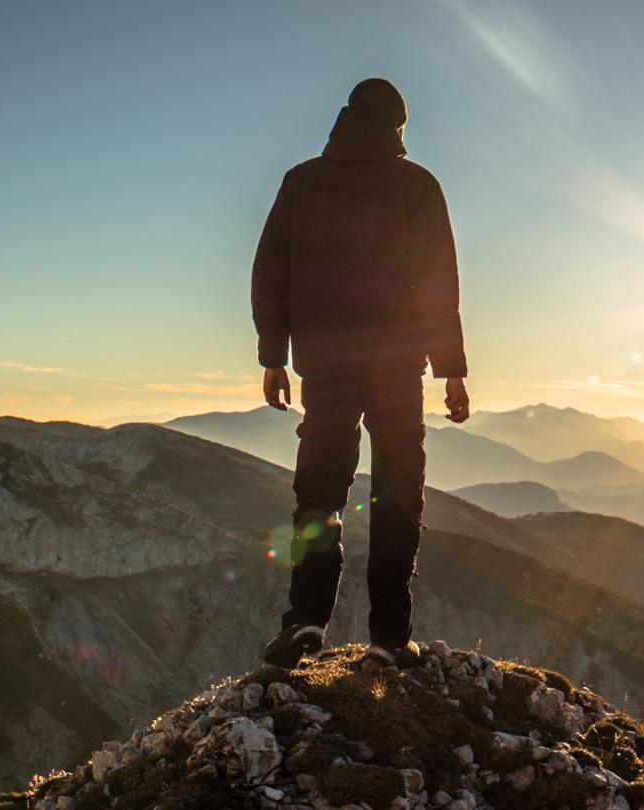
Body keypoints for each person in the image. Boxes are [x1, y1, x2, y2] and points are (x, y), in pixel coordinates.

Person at [253, 77, 470, 670]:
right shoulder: (416, 185)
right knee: (398, 492)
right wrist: (450, 369)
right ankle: (389, 636)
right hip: (397, 365)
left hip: (324, 363)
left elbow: (270, 270)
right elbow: (437, 285)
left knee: (319, 490)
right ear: (397, 126)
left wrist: (273, 355)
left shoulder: (303, 182)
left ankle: (304, 621)